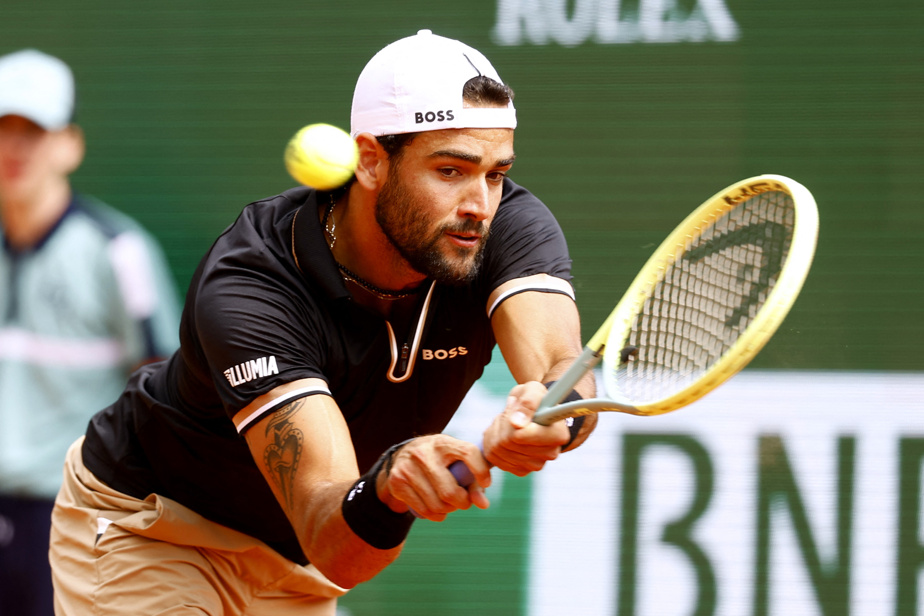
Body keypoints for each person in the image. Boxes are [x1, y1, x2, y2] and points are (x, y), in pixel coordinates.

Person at [49, 29, 597, 615]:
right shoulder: (253, 285)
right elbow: (332, 534)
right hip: (157, 528)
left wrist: (553, 416)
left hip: (296, 568)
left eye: (494, 173)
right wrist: (389, 486)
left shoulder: (503, 227)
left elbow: (563, 368)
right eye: (449, 170)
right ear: (370, 161)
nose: (479, 204)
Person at [0, 49, 181, 615]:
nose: (15, 148)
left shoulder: (118, 252)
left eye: (34, 130)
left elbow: (167, 391)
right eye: (4, 128)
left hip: (71, 518)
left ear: (70, 144)